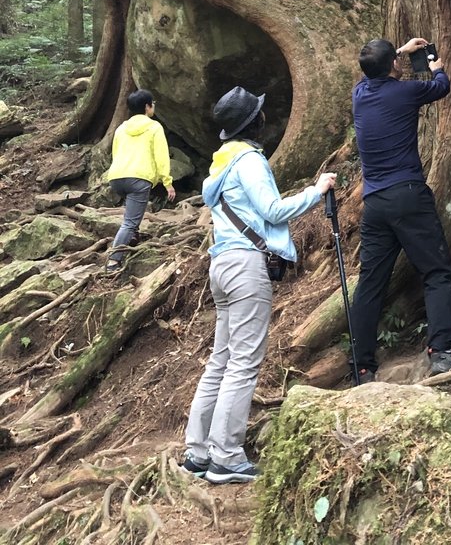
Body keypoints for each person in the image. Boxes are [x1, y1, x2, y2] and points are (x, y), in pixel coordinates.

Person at [182, 86, 336, 485]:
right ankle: (226, 457)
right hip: (246, 267)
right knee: (243, 362)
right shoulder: (249, 161)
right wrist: (316, 192)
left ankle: (198, 452)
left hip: (222, 265)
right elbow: (272, 210)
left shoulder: (221, 165)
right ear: (254, 123)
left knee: (222, 359)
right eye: (260, 114)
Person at [348, 37, 451, 382]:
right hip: (407, 195)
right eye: (396, 60)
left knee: (370, 284)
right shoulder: (404, 93)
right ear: (392, 65)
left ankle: (361, 367)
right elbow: (441, 87)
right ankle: (444, 352)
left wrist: (400, 53)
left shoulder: (360, 96)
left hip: (374, 204)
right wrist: (435, 65)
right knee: (436, 271)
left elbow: (371, 74)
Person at [105, 89, 175, 274]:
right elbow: (161, 156)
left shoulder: (121, 128)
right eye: (153, 103)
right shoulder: (154, 127)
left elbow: (116, 152)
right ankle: (114, 260)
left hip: (117, 177)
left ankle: (132, 240)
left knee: (131, 213)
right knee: (130, 222)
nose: (154, 106)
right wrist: (167, 182)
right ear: (147, 106)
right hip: (139, 178)